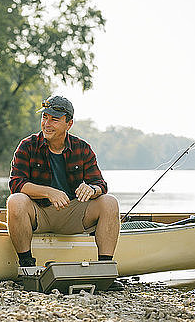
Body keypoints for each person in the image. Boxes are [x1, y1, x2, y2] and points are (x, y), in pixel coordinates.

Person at [7, 95, 120, 269]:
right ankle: (27, 266)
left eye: (54, 119)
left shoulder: (82, 148)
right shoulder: (27, 145)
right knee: (15, 201)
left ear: (69, 124)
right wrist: (48, 192)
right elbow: (16, 183)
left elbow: (101, 184)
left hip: (73, 214)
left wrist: (91, 189)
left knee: (110, 202)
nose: (47, 123)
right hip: (39, 214)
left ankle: (105, 268)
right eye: (45, 117)